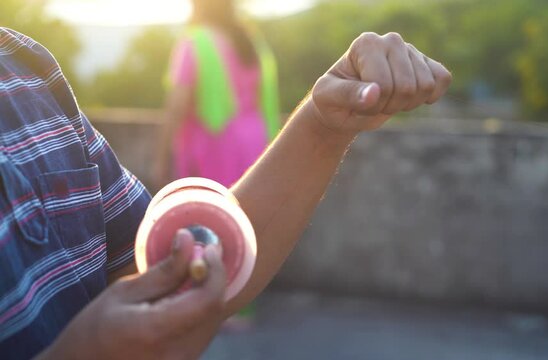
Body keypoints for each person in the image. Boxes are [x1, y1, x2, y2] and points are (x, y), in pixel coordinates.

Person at [0, 25, 451, 359]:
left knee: (209, 236)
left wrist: (324, 126)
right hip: (249, 136)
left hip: (209, 141)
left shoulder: (26, 66)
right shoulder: (247, 41)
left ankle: (236, 318)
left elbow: (170, 272)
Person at [158, 0, 280, 188]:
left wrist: (162, 158)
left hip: (215, 147)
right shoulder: (250, 40)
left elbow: (177, 106)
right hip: (258, 141)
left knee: (215, 213)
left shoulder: (194, 42)